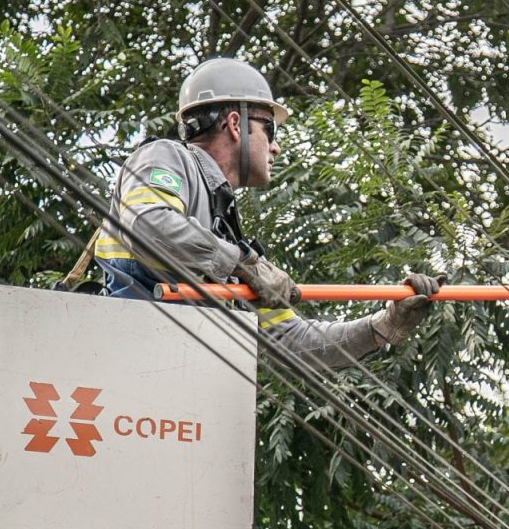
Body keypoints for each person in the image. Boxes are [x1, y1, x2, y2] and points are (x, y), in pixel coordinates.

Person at [95, 57, 438, 368]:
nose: (276, 147)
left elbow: (292, 340)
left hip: (178, 382)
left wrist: (385, 325)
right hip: (126, 361)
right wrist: (243, 263)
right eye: (270, 129)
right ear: (234, 123)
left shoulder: (223, 231)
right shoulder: (166, 157)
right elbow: (149, 225)